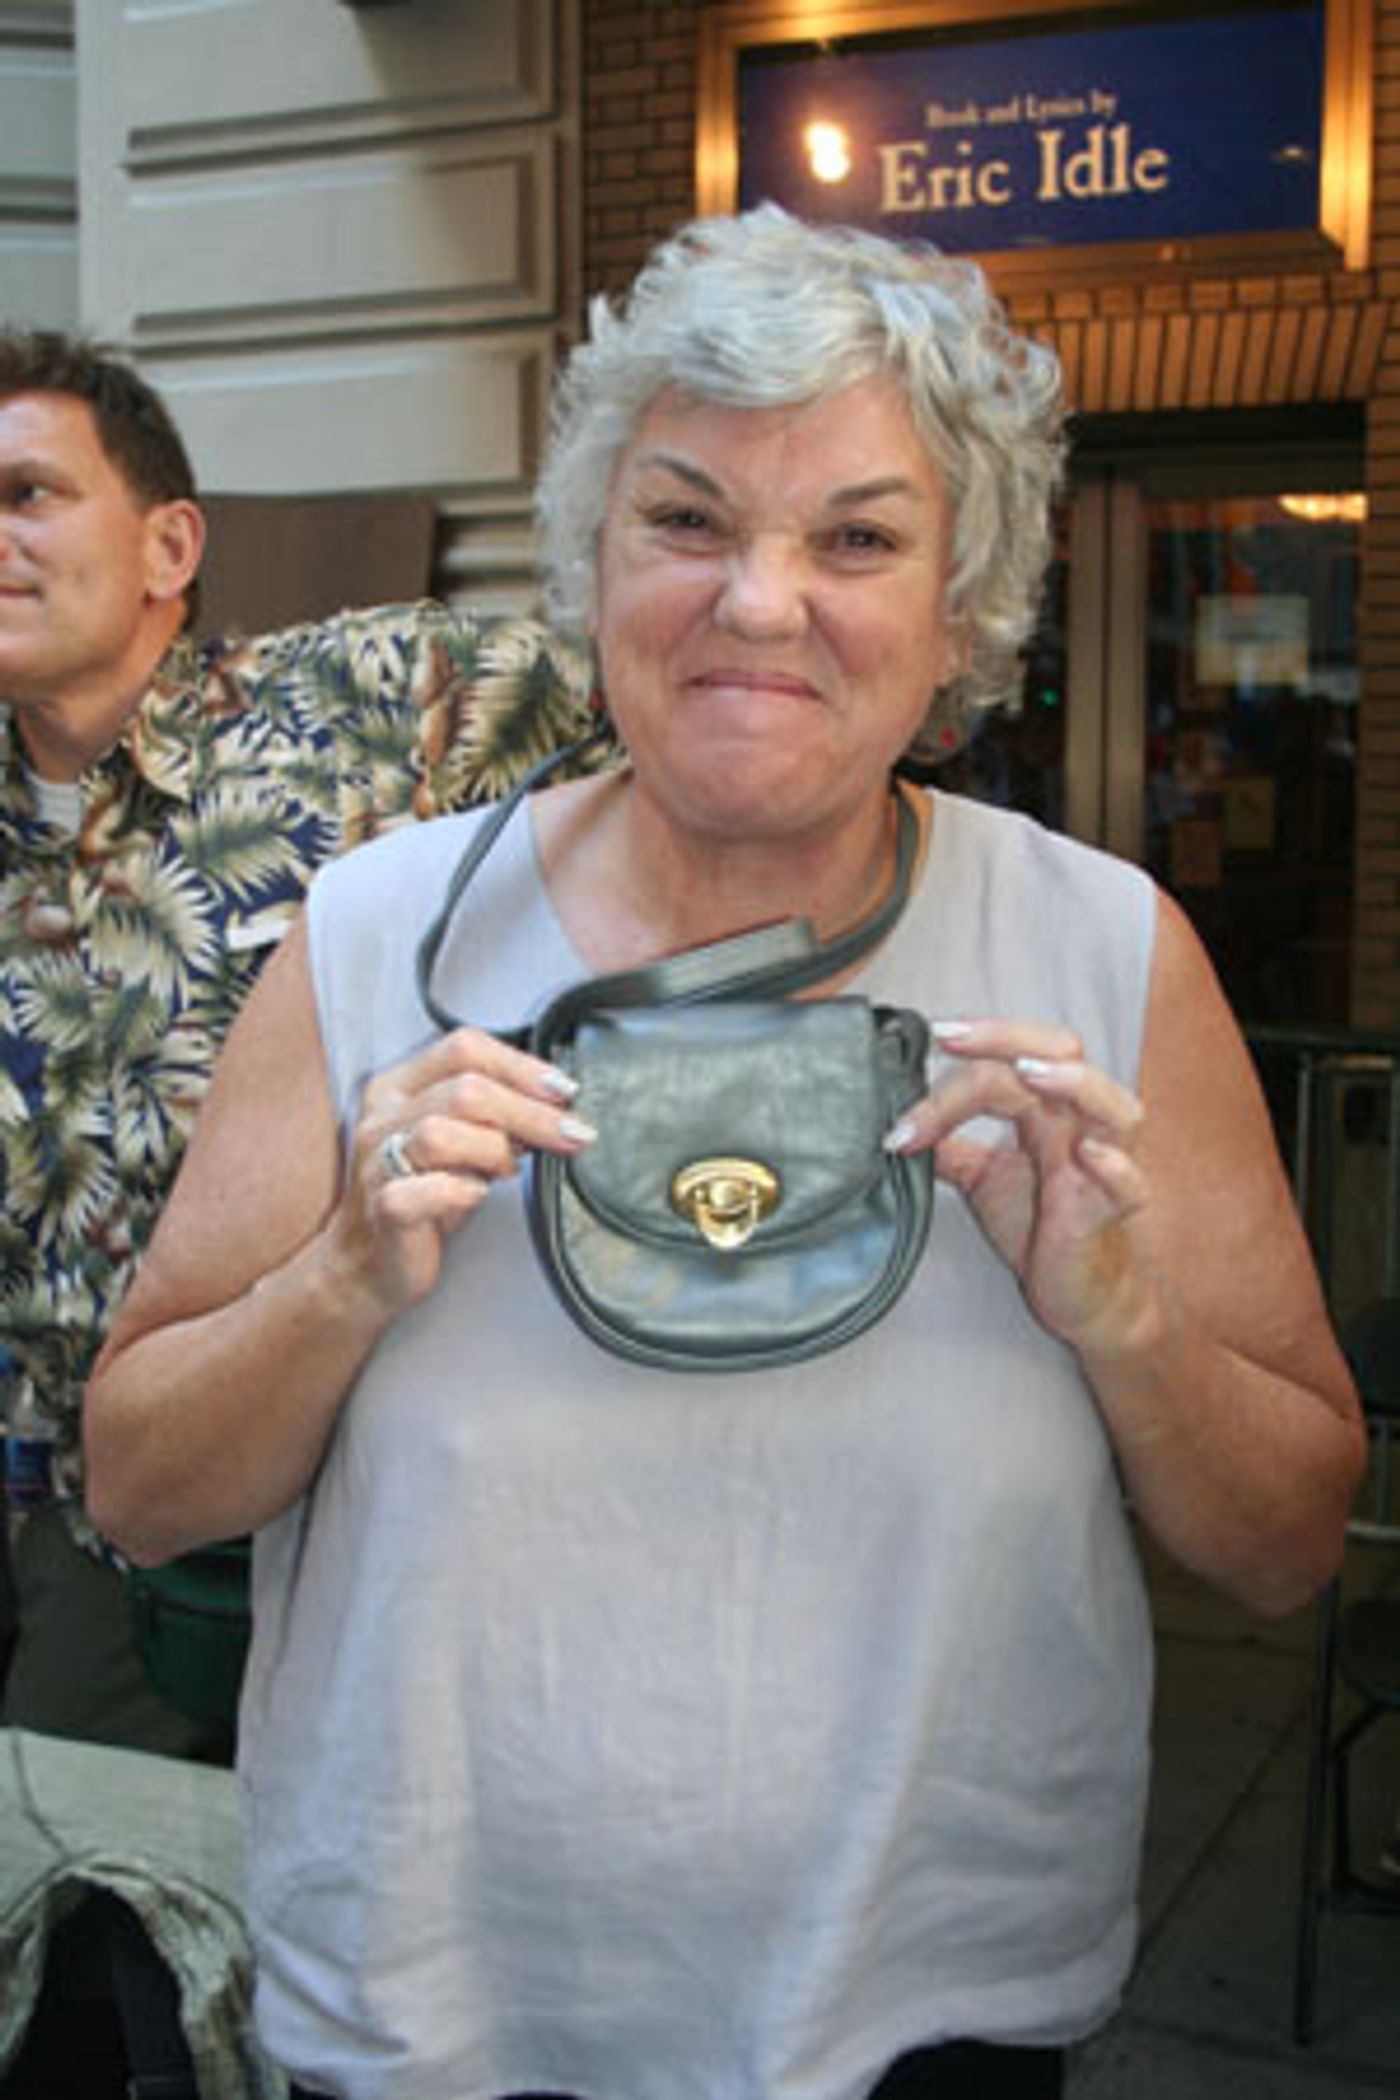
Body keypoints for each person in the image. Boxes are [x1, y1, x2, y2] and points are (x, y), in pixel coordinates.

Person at [85, 208, 1365, 2100]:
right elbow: (141, 1488)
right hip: (439, 2010)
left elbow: (1286, 1544)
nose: (761, 603)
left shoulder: (1101, 953)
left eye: (858, 538)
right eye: (687, 519)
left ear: (963, 611)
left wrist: (1124, 1318)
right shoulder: (375, 940)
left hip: (927, 2014)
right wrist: (340, 1275)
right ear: (595, 563)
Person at [0, 331, 589, 2095]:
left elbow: (713, 706)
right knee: (93, 1973)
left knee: (405, 1989)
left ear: (169, 545)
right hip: (103, 1523)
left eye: (29, 493)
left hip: (384, 1507)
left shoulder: (377, 700)